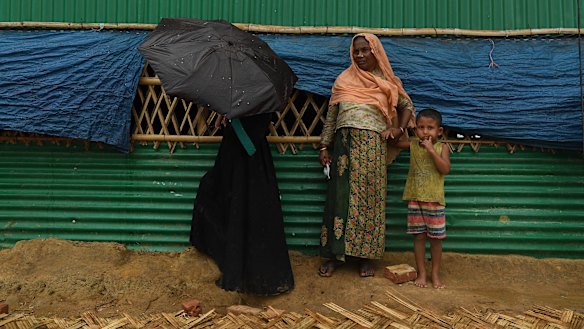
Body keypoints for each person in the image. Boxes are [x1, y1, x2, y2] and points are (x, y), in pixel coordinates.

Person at [318, 33, 416, 278]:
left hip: (373, 147)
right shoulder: (344, 79)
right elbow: (332, 115)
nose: (360, 55)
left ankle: (365, 258)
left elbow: (407, 107)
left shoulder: (387, 82)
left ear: (375, 51)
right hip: (342, 148)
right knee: (339, 201)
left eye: (365, 50)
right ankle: (336, 256)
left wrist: (398, 129)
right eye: (356, 51)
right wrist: (323, 146)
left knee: (370, 201)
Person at [190, 113, 295, 295]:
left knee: (241, 204)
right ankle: (243, 266)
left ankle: (242, 268)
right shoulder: (261, 95)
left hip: (243, 154)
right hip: (250, 156)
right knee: (244, 205)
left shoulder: (245, 97)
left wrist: (231, 117)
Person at [395, 108, 450, 289]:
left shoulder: (442, 147)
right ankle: (422, 273)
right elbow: (394, 143)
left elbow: (445, 169)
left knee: (435, 239)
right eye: (420, 127)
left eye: (430, 128)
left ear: (439, 131)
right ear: (415, 129)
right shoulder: (412, 144)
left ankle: (435, 273)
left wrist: (431, 151)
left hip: (434, 201)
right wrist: (396, 129)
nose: (425, 132)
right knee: (418, 237)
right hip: (416, 199)